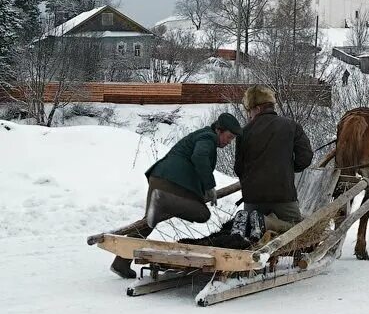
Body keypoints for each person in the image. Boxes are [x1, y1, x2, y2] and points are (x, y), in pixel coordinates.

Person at [110, 113, 242, 278]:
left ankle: (120, 263)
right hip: (171, 184)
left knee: (148, 222)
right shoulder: (207, 138)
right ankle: (163, 201)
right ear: (218, 130)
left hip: (159, 178)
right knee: (202, 214)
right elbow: (199, 157)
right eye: (228, 137)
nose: (228, 142)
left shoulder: (202, 136)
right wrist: (210, 186)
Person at [235, 85, 314, 230]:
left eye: (249, 111)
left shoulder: (243, 132)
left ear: (257, 109)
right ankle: (267, 223)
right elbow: (306, 157)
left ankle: (252, 222)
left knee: (251, 231)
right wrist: (289, 167)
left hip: (252, 200)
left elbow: (238, 169)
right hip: (283, 196)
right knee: (297, 229)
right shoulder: (291, 126)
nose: (249, 115)